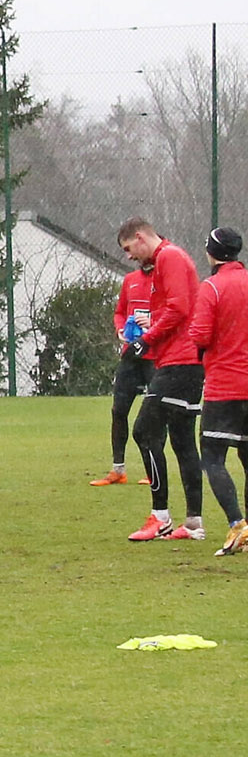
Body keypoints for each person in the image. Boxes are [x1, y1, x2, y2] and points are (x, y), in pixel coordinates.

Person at [119, 218, 207, 542]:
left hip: (180, 363)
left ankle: (160, 516)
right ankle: (194, 523)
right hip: (184, 360)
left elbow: (180, 308)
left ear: (140, 237)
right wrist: (151, 322)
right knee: (183, 440)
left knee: (143, 431)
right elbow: (178, 307)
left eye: (129, 248)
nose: (130, 256)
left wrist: (148, 337)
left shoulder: (169, 257)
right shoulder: (169, 259)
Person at [189, 227, 248, 555]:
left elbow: (200, 335)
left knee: (212, 458)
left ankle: (237, 525)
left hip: (225, 386)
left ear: (213, 253)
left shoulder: (211, 287)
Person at [96, 260, 155, 485]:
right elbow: (120, 312)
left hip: (155, 356)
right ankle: (118, 469)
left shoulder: (166, 280)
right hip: (131, 356)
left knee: (154, 416)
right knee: (118, 410)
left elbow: (176, 314)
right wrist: (120, 329)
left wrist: (152, 322)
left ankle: (153, 471)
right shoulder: (130, 280)